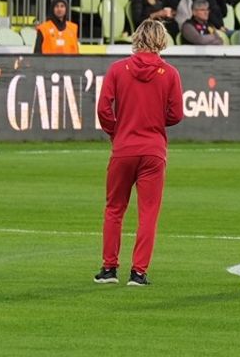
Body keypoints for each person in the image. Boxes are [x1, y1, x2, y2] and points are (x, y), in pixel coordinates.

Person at [94, 19, 184, 287]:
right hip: (153, 151)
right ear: (161, 39)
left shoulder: (117, 69)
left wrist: (116, 131)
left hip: (123, 149)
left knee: (114, 209)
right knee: (148, 213)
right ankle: (138, 273)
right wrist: (155, 120)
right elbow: (176, 114)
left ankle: (109, 269)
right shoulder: (169, 74)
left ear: (137, 38)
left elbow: (103, 108)